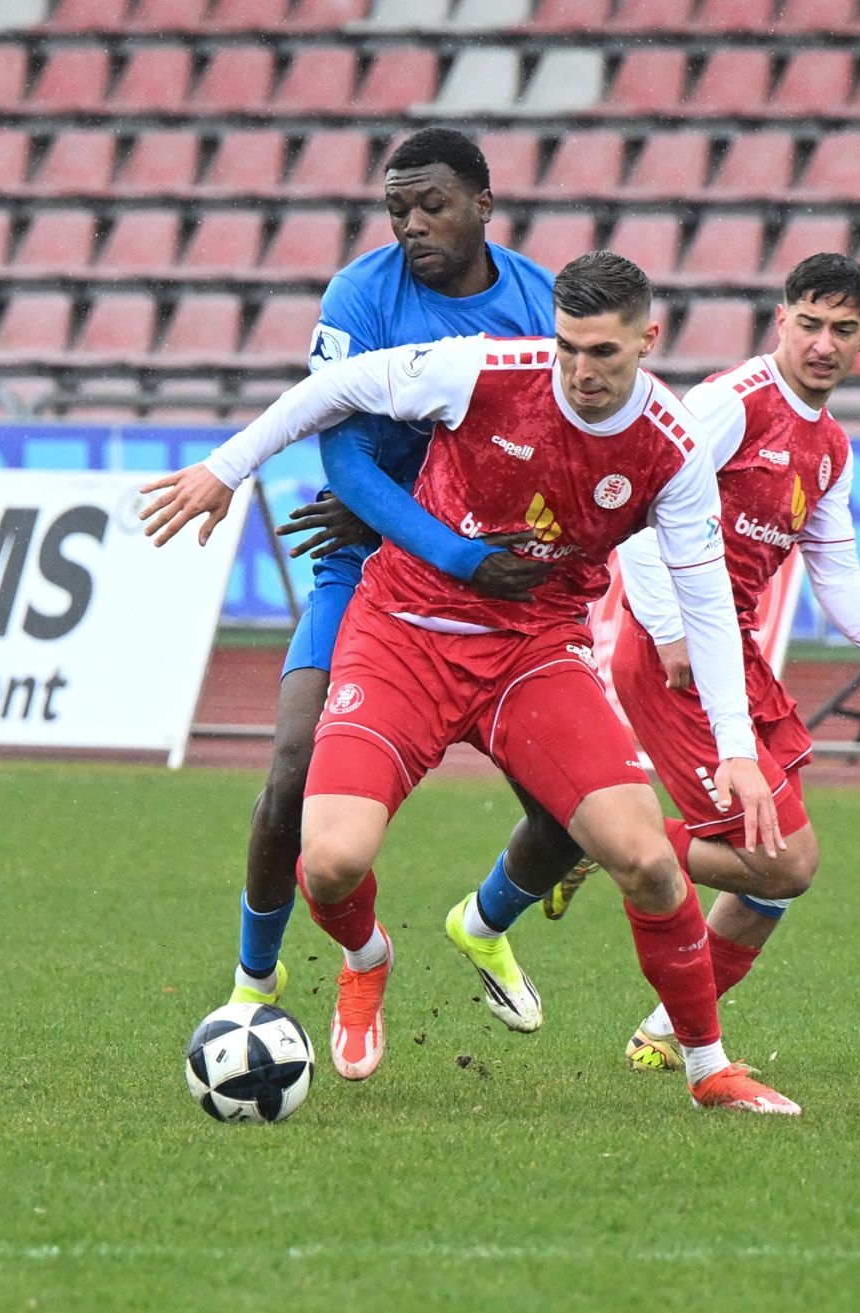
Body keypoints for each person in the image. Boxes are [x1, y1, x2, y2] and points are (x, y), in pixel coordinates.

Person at [140, 252, 802, 1115]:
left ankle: (708, 1066)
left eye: (603, 352)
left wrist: (738, 751)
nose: (580, 370)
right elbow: (330, 391)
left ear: (649, 338)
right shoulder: (486, 367)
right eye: (568, 346)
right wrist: (224, 469)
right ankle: (369, 958)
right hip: (404, 633)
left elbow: (707, 600)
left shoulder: (671, 446)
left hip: (535, 650)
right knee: (332, 861)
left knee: (642, 856)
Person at [210, 126, 584, 1080]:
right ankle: (265, 986)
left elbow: (572, 449)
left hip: (495, 584)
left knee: (567, 816)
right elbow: (342, 454)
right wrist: (438, 540)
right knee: (292, 766)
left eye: (433, 205)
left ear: (485, 206)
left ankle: (485, 922)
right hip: (376, 562)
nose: (412, 224)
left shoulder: (544, 306)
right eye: (398, 209)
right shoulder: (361, 296)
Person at [524, 253, 860, 1073]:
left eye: (842, 329)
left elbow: (837, 572)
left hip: (735, 658)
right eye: (808, 323)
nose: (822, 343)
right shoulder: (730, 404)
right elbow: (645, 507)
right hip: (677, 658)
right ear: (780, 319)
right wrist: (664, 627)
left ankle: (661, 1029)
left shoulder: (829, 446)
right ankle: (608, 840)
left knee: (772, 877)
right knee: (786, 857)